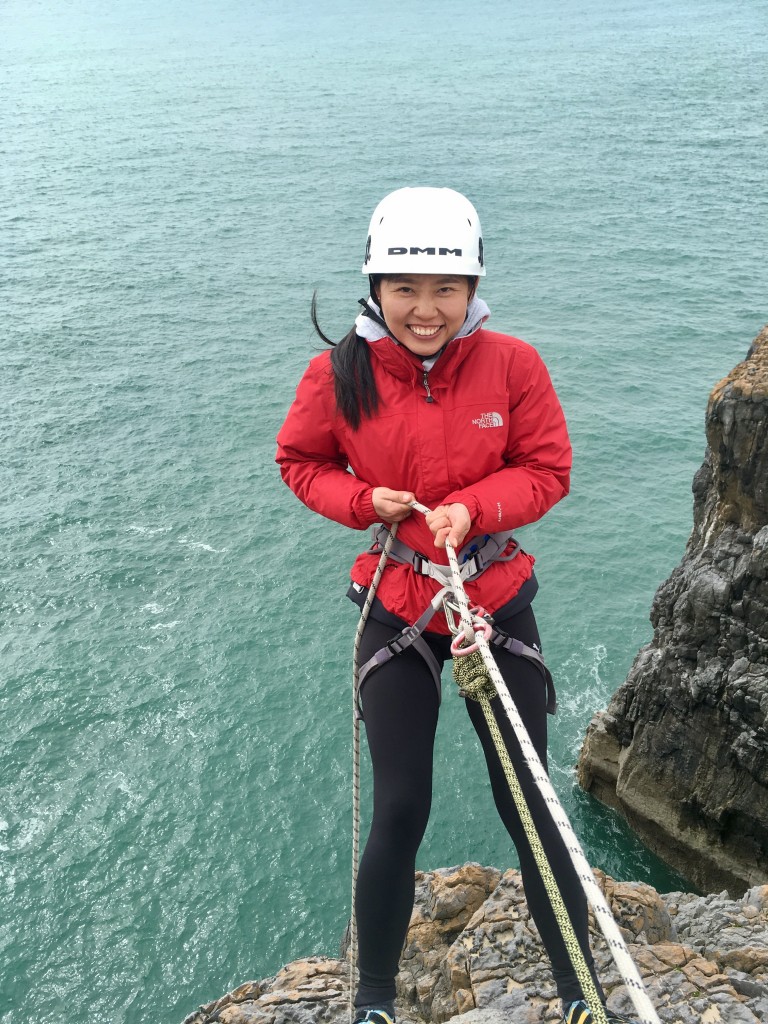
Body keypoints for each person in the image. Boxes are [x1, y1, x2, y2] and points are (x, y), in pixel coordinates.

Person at [275, 187, 637, 1024]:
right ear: (375, 286)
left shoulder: (512, 365)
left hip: (492, 598)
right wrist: (369, 502)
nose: (425, 309)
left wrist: (476, 508)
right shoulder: (338, 375)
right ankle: (372, 1002)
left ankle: (582, 995)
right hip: (400, 603)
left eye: (446, 289)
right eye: (404, 288)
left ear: (474, 289)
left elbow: (547, 469)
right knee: (401, 804)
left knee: (530, 800)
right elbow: (300, 462)